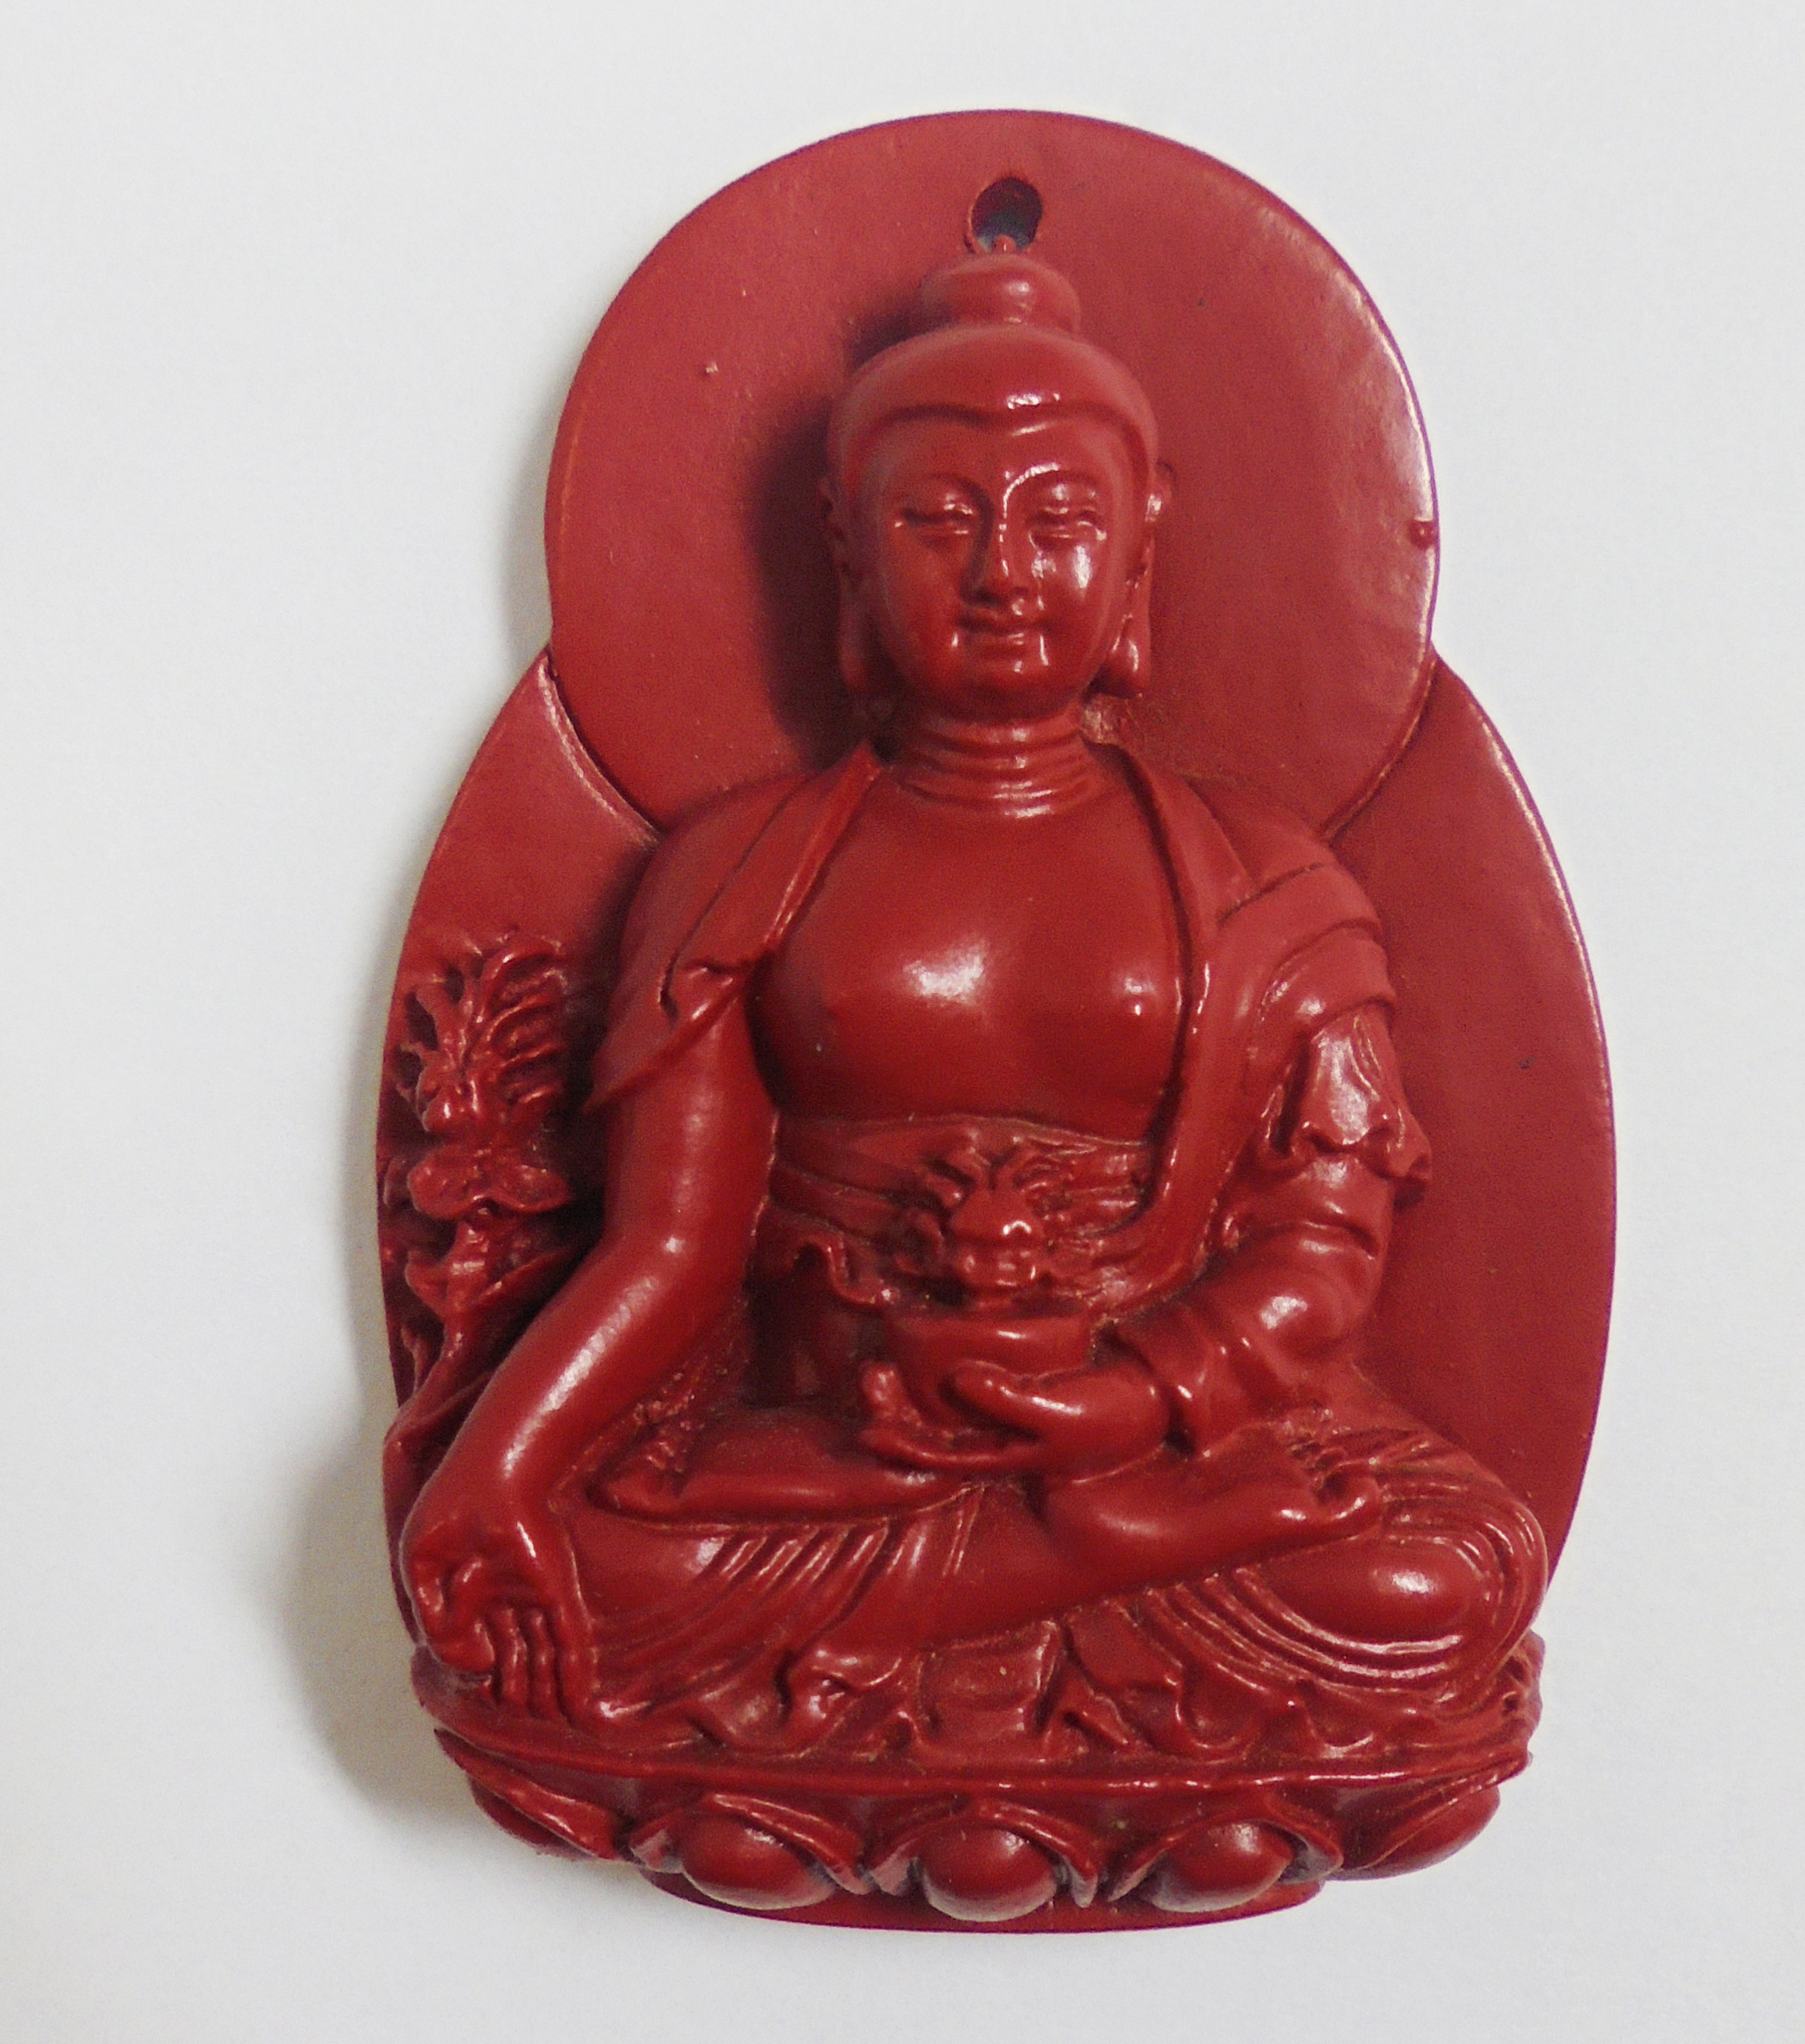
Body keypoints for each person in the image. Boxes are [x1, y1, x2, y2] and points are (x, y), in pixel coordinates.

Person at [396, 244, 1545, 1913]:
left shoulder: (1271, 886)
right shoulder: (742, 871)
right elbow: (669, 1248)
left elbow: (1322, 1249)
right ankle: (1074, 1585)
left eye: (1062, 520)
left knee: (1452, 1572)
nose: (1007, 572)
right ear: (847, 550)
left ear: (1137, 553)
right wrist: (498, 1466)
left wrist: (1130, 1397)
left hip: (1159, 1440)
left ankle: (1025, 1596)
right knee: (578, 1567)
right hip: (832, 1452)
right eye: (941, 520)